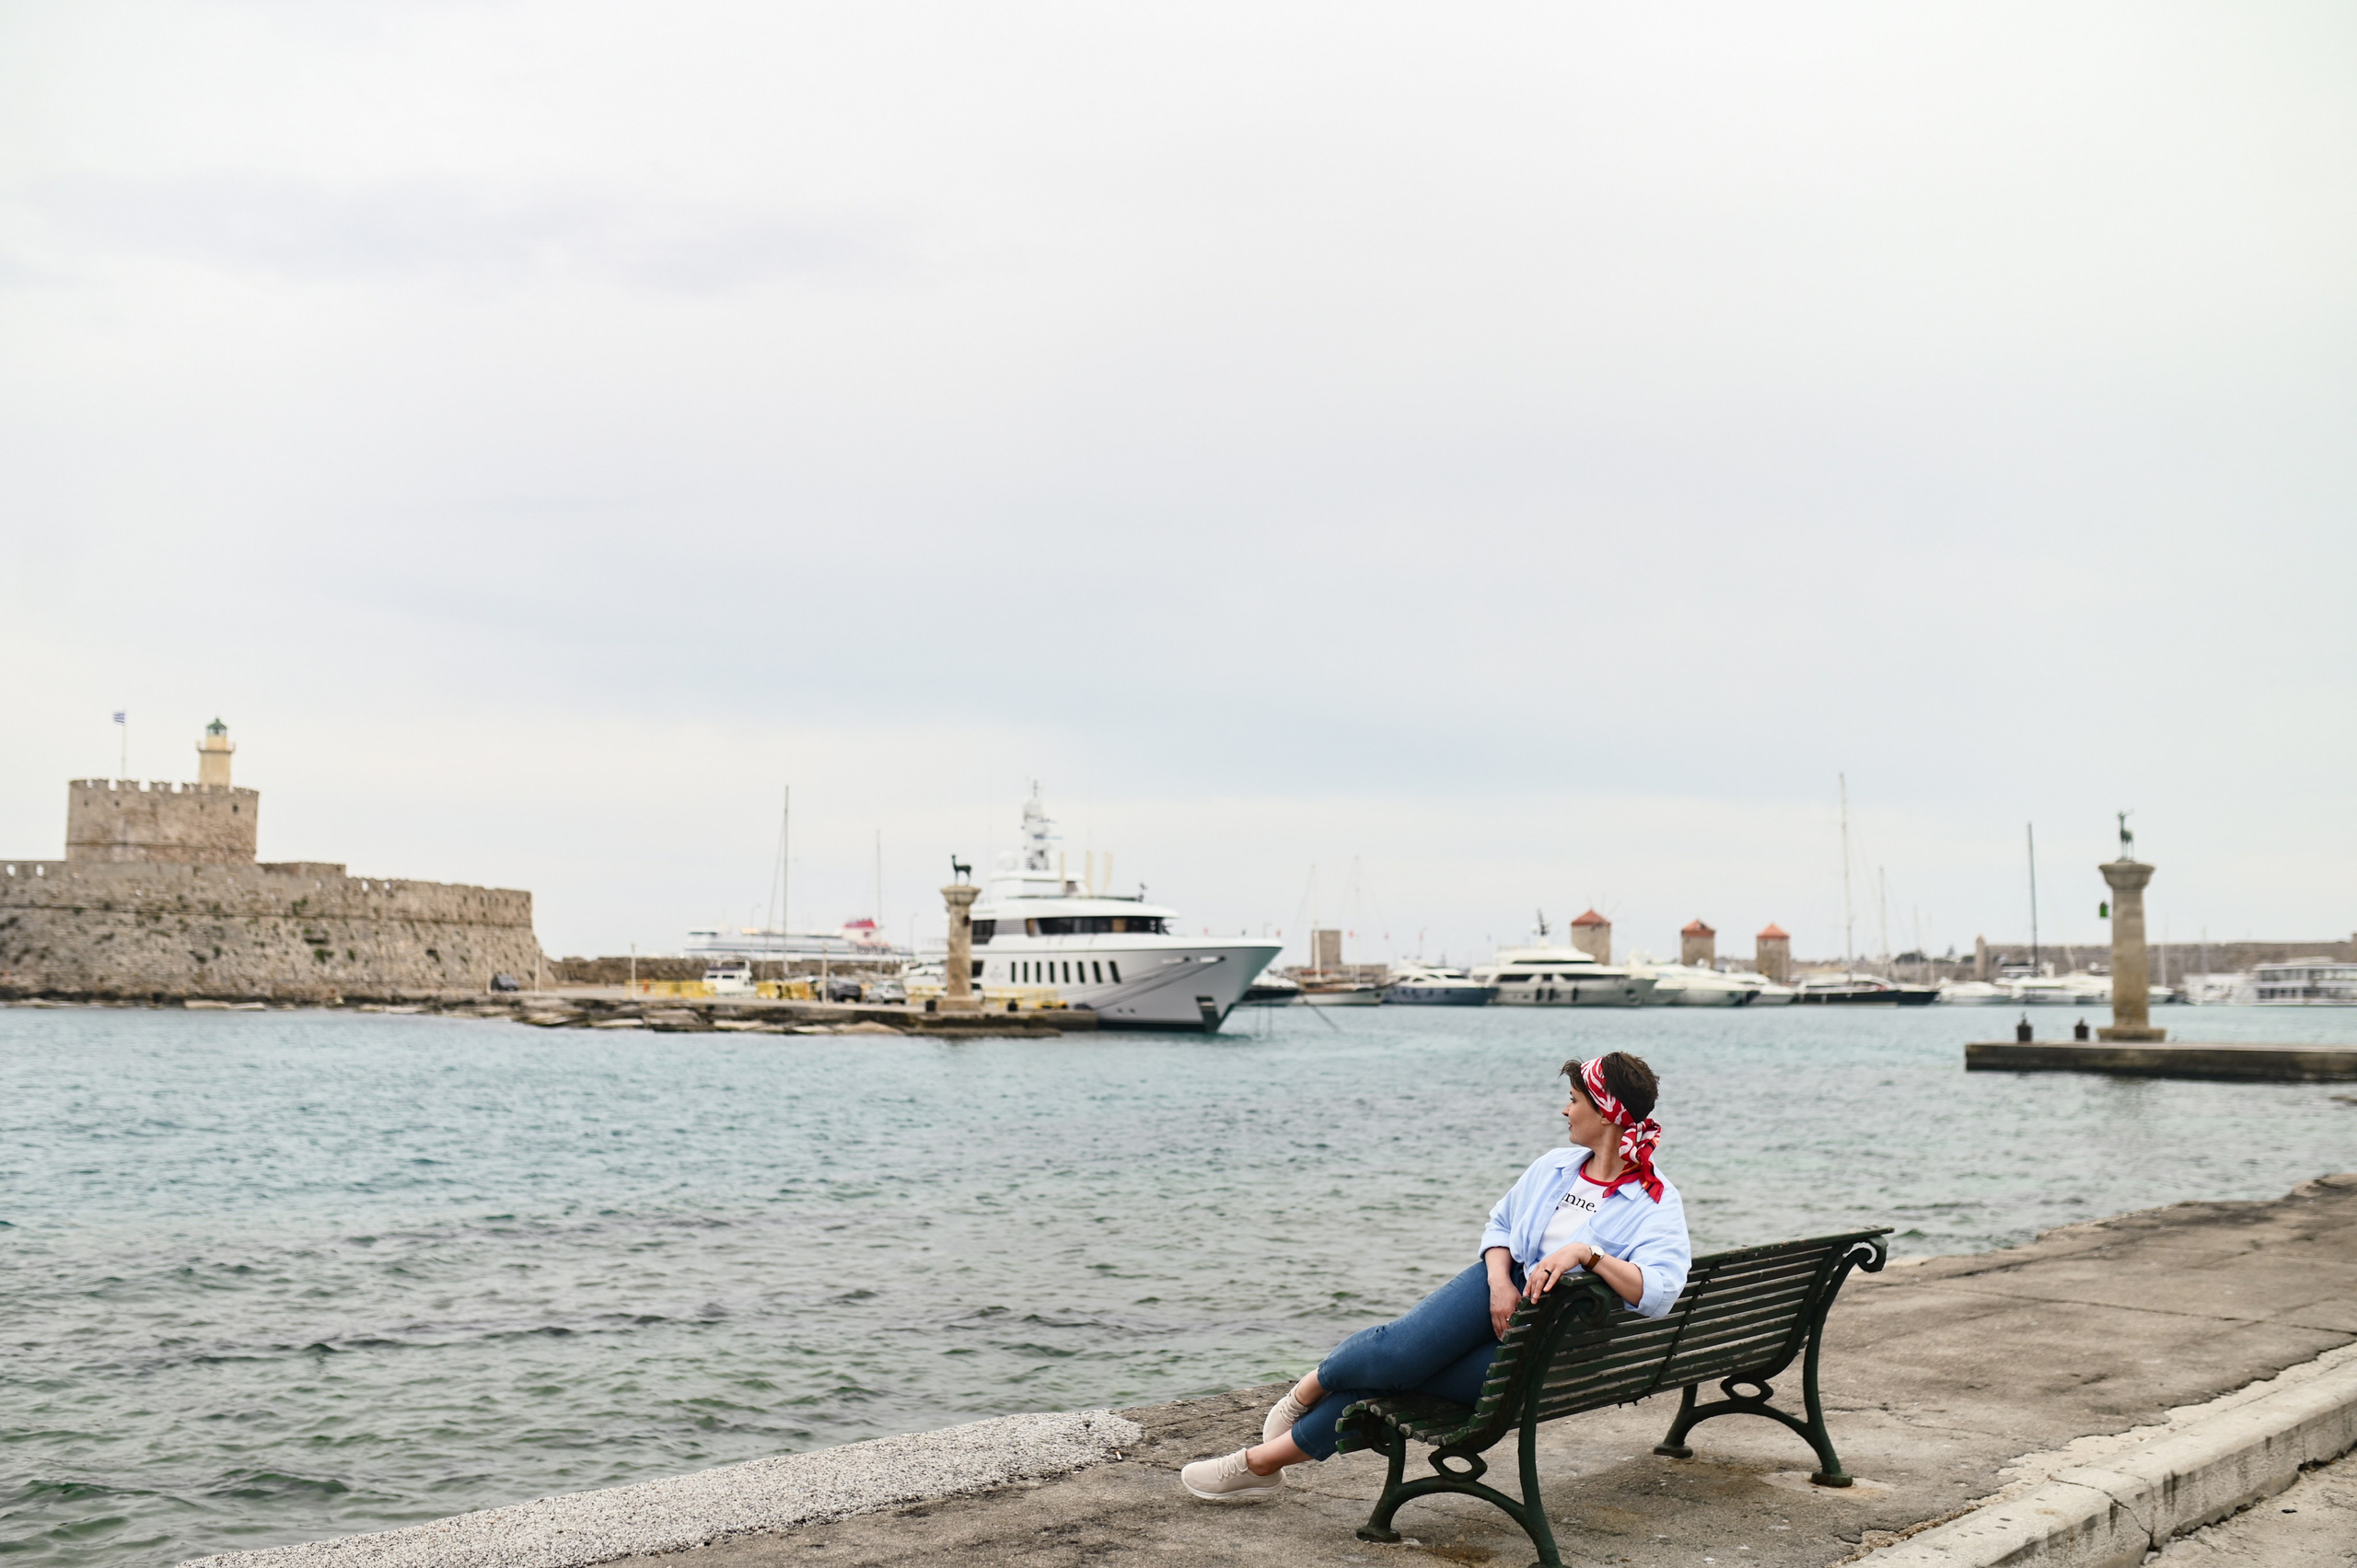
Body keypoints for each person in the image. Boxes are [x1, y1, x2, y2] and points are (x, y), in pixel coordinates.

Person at [1179, 1051, 1690, 1500]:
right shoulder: (1555, 1166)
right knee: (1396, 1355)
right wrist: (1498, 1282)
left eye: (1574, 1098)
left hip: (1550, 1341)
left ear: (1605, 1113)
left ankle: (1257, 1465)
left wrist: (1588, 1254)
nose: (1564, 1109)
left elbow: (1662, 1290)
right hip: (1503, 1282)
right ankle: (1307, 1389)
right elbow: (1502, 1223)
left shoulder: (1654, 1199)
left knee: (1400, 1383)